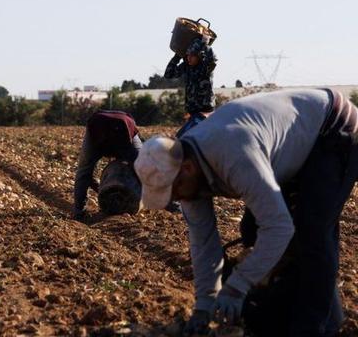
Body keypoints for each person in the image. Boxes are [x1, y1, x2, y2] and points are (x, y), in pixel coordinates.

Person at [134, 88, 358, 335]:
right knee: (251, 230)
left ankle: (315, 328)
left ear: (187, 169)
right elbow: (203, 241)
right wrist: (204, 305)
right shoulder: (184, 173)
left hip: (332, 127)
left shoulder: (233, 154)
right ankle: (282, 312)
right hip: (287, 146)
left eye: (173, 191)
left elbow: (278, 227)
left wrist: (236, 287)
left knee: (311, 230)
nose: (175, 198)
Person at [72, 110, 141, 220]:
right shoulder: (98, 134)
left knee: (84, 171)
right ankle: (79, 212)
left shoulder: (125, 135)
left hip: (118, 127)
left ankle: (78, 212)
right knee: (142, 167)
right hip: (99, 128)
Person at [164, 36, 217, 137]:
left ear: (199, 55)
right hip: (193, 114)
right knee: (182, 138)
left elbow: (212, 59)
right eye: (188, 55)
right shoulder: (186, 66)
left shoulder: (205, 67)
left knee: (182, 137)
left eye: (192, 55)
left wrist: (205, 45)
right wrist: (177, 56)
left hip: (205, 113)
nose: (189, 58)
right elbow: (168, 74)